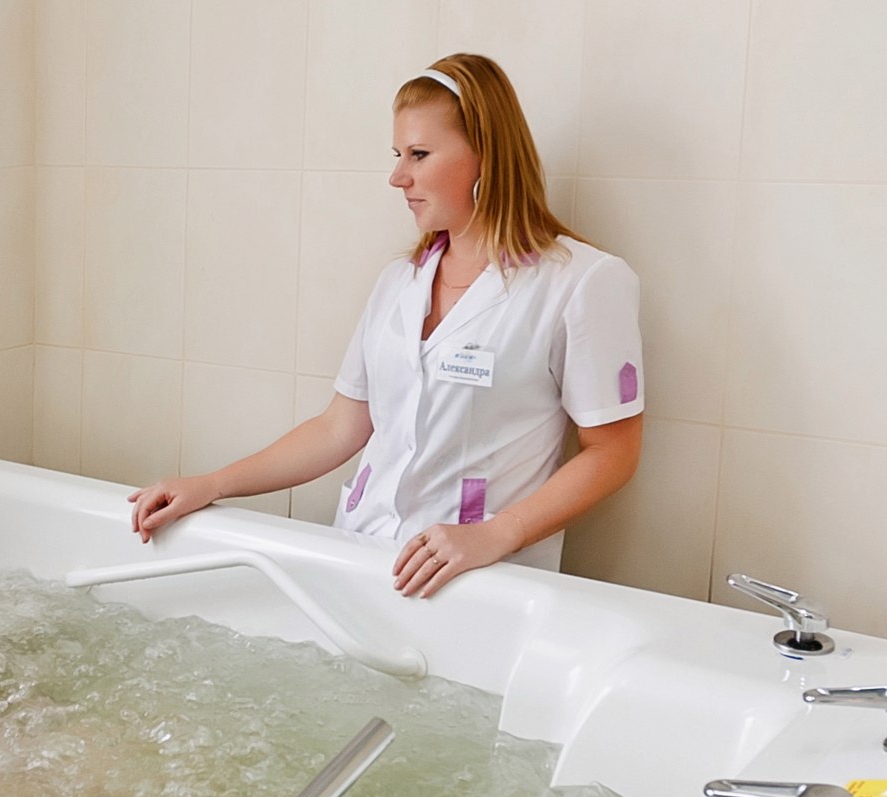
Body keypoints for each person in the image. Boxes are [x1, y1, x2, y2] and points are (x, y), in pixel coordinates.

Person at [127, 53, 645, 598]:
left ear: (486, 155)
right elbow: (340, 428)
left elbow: (613, 453)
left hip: (483, 583)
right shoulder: (401, 282)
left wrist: (496, 534)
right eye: (399, 155)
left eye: (419, 154)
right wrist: (211, 484)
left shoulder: (581, 282)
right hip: (362, 554)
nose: (398, 177)